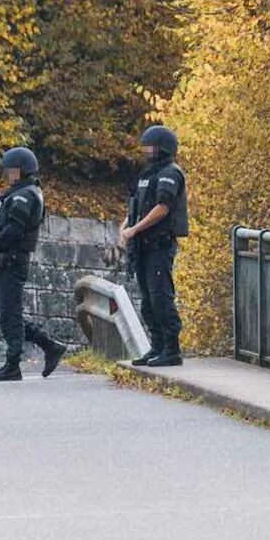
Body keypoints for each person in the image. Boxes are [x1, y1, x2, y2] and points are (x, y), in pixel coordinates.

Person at [0, 146, 69, 382]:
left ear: (19, 171)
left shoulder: (24, 195)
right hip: (7, 262)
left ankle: (13, 364)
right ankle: (50, 346)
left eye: (10, 170)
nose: (7, 174)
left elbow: (15, 231)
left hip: (13, 261)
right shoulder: (20, 193)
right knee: (5, 310)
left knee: (10, 313)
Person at [121, 124, 189, 367]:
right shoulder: (147, 175)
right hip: (143, 246)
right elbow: (137, 206)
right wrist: (126, 226)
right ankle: (157, 347)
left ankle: (172, 350)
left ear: (162, 148)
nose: (146, 150)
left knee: (161, 298)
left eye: (150, 146)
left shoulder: (170, 173)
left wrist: (135, 229)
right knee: (148, 301)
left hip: (159, 244)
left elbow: (162, 207)